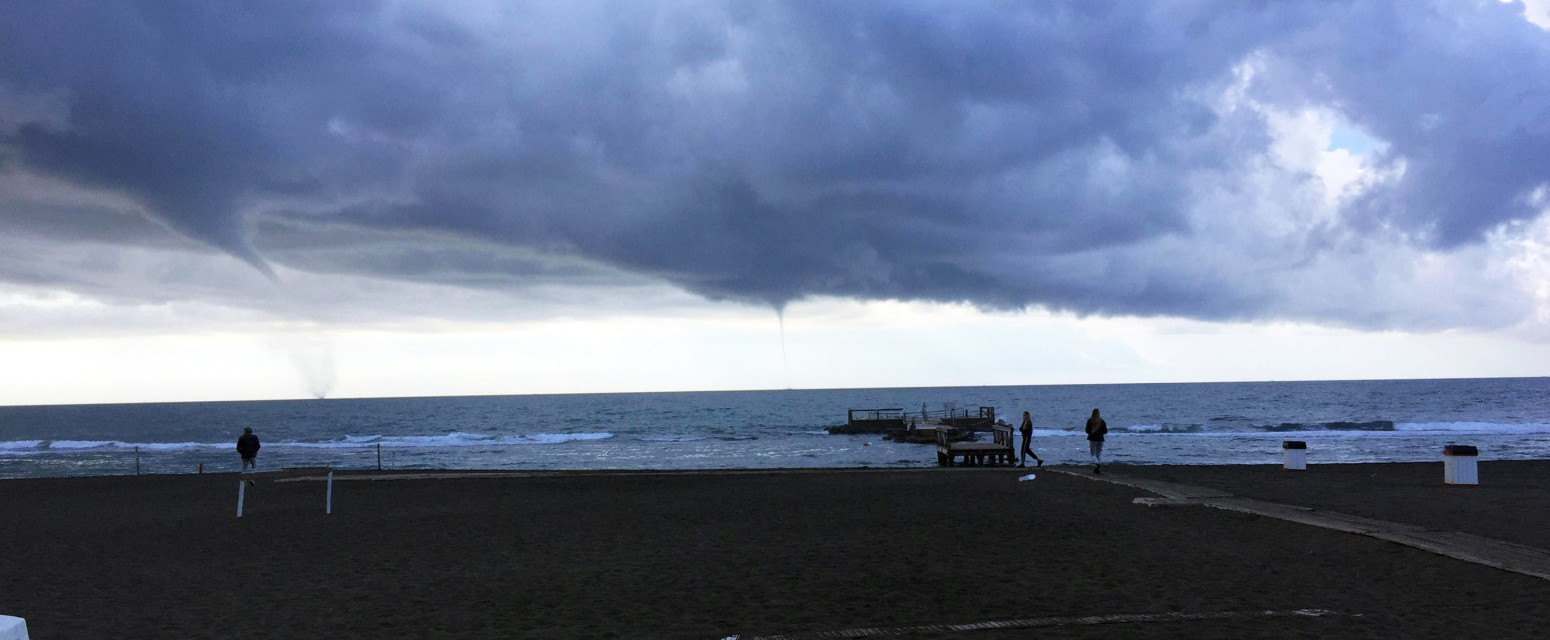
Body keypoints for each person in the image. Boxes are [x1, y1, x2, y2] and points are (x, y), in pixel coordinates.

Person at [1085, 409, 1108, 474]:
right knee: (1098, 454)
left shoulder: (1090, 421)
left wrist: (1091, 433)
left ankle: (1097, 464)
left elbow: (1087, 430)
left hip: (1093, 439)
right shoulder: (1102, 421)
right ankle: (1097, 469)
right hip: (1101, 439)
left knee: (1093, 454)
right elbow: (1105, 431)